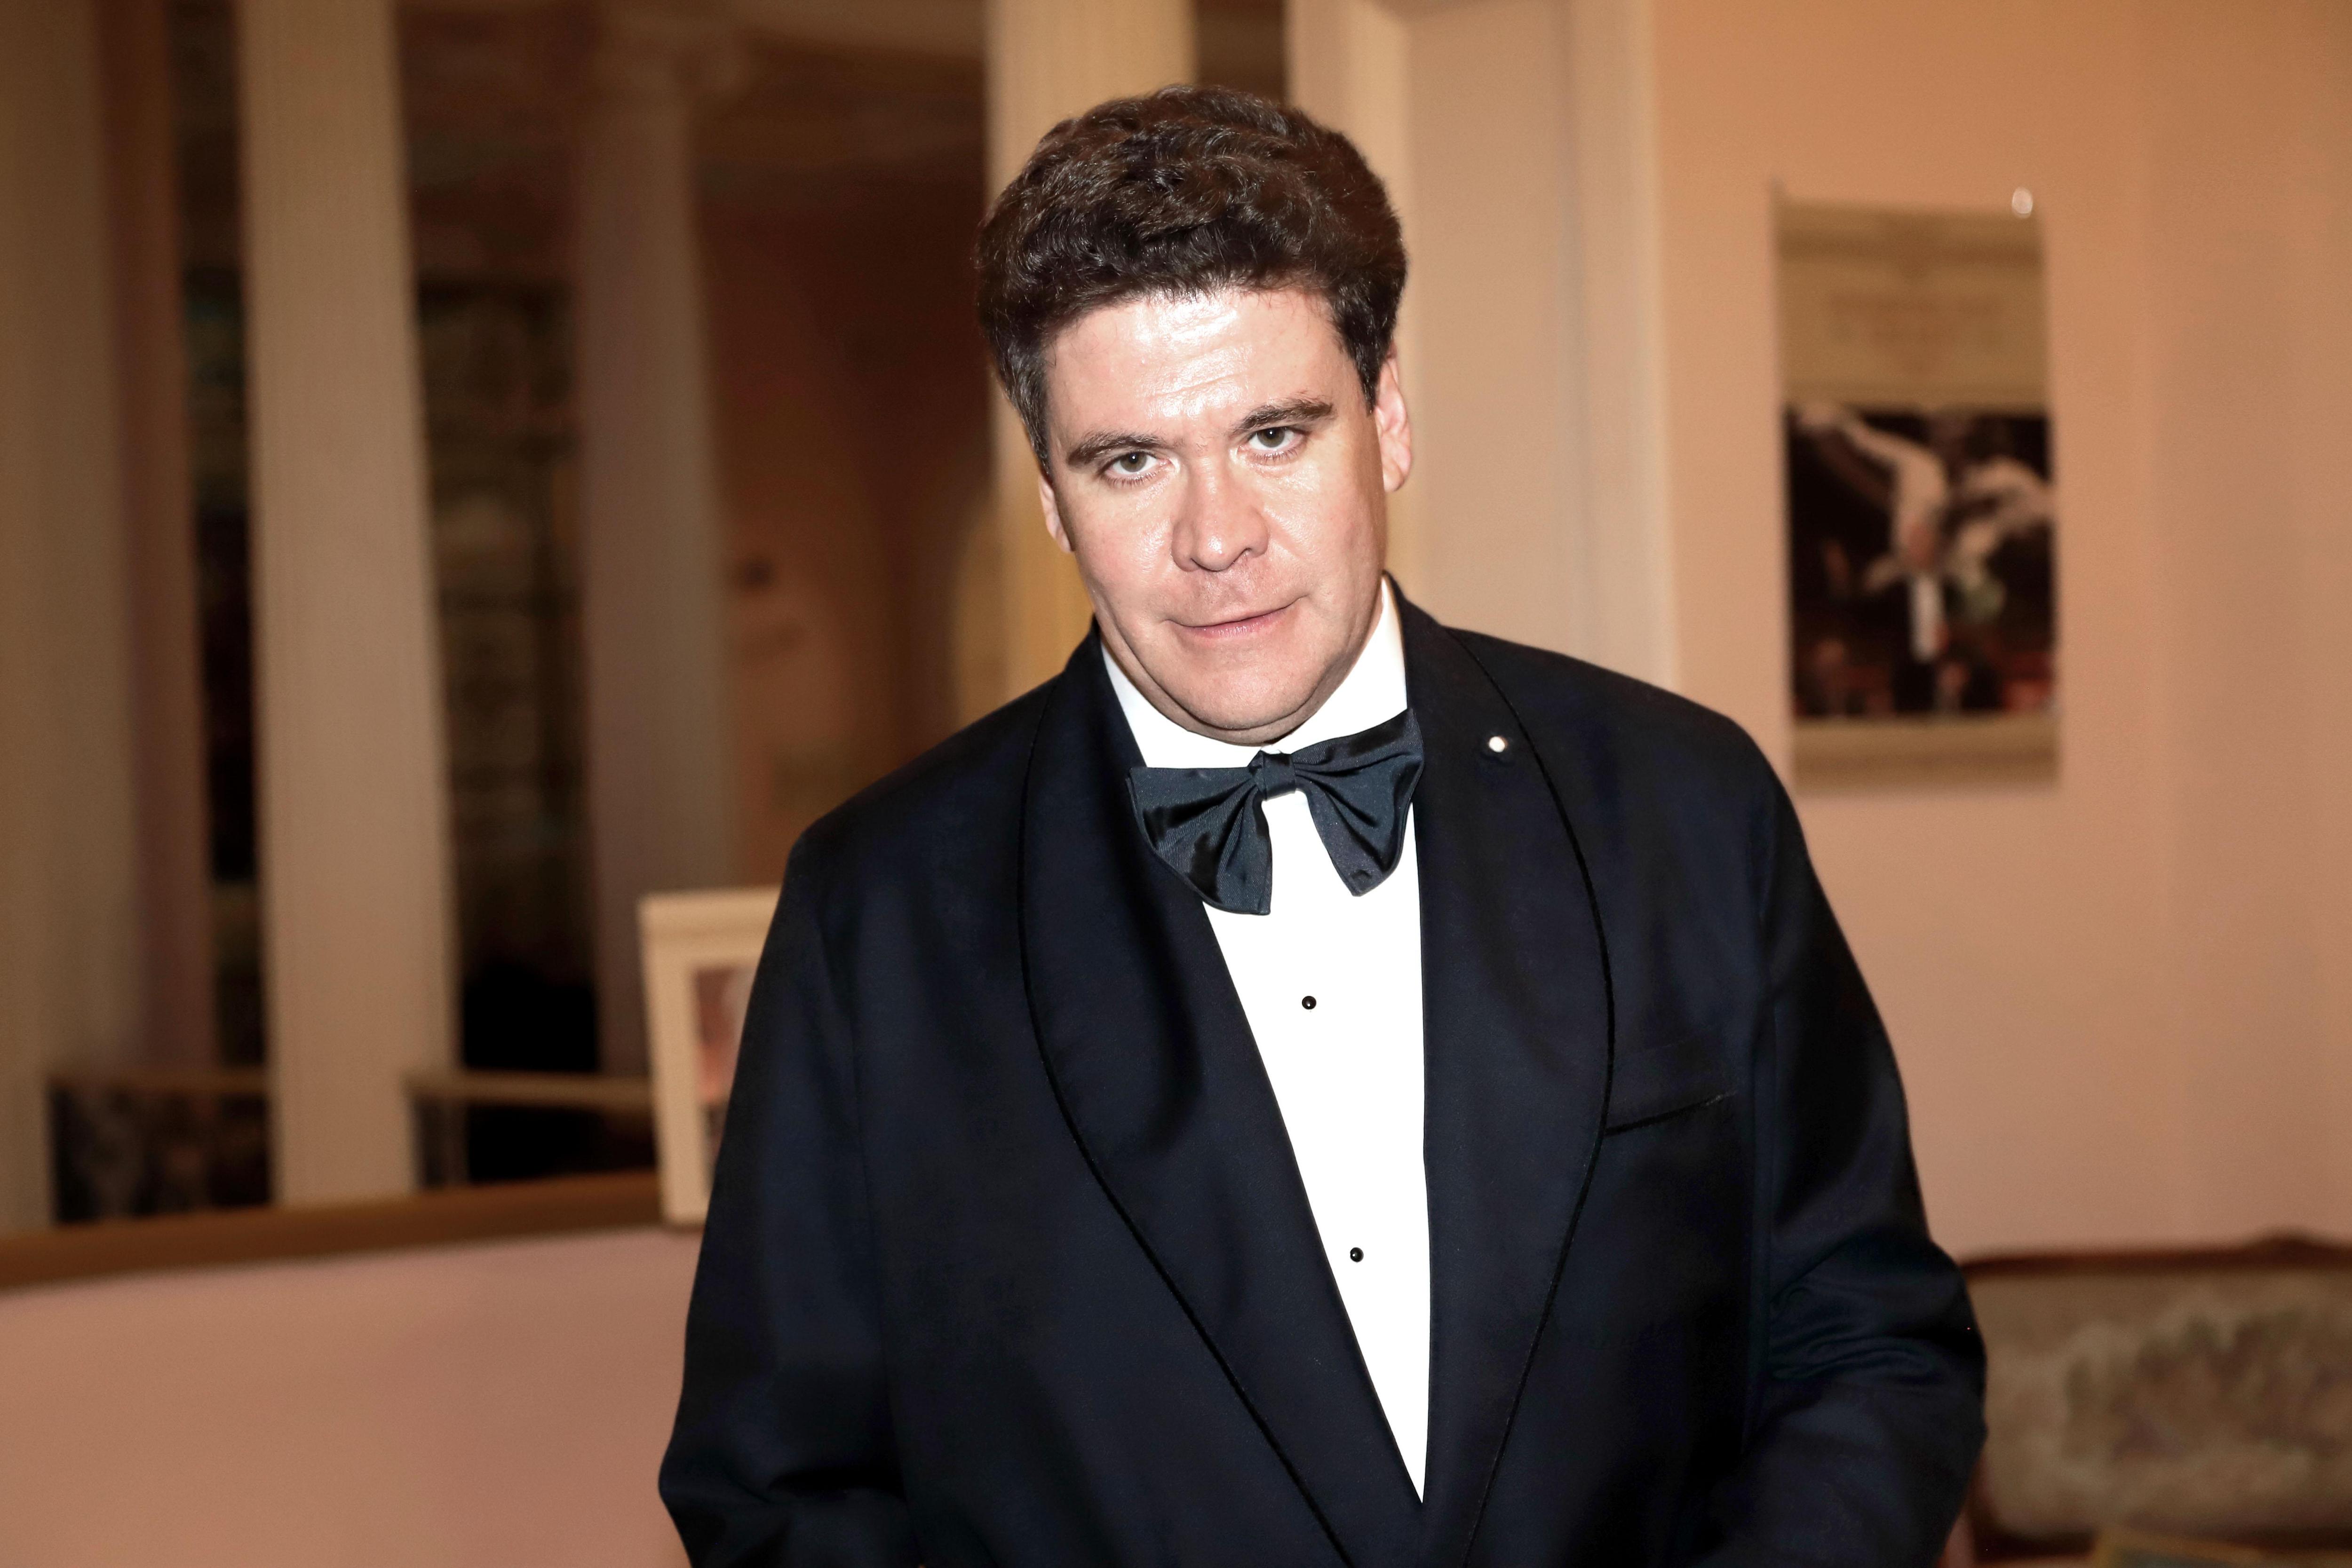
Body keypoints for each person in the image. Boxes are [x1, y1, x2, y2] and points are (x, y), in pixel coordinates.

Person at [660, 86, 1984, 1567]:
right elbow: (777, 1489)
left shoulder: (1681, 805)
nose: (1216, 537)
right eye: (1130, 461)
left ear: (1388, 420)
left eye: (1275, 434)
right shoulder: (882, 912)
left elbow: (1871, 1343)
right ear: (1049, 495)